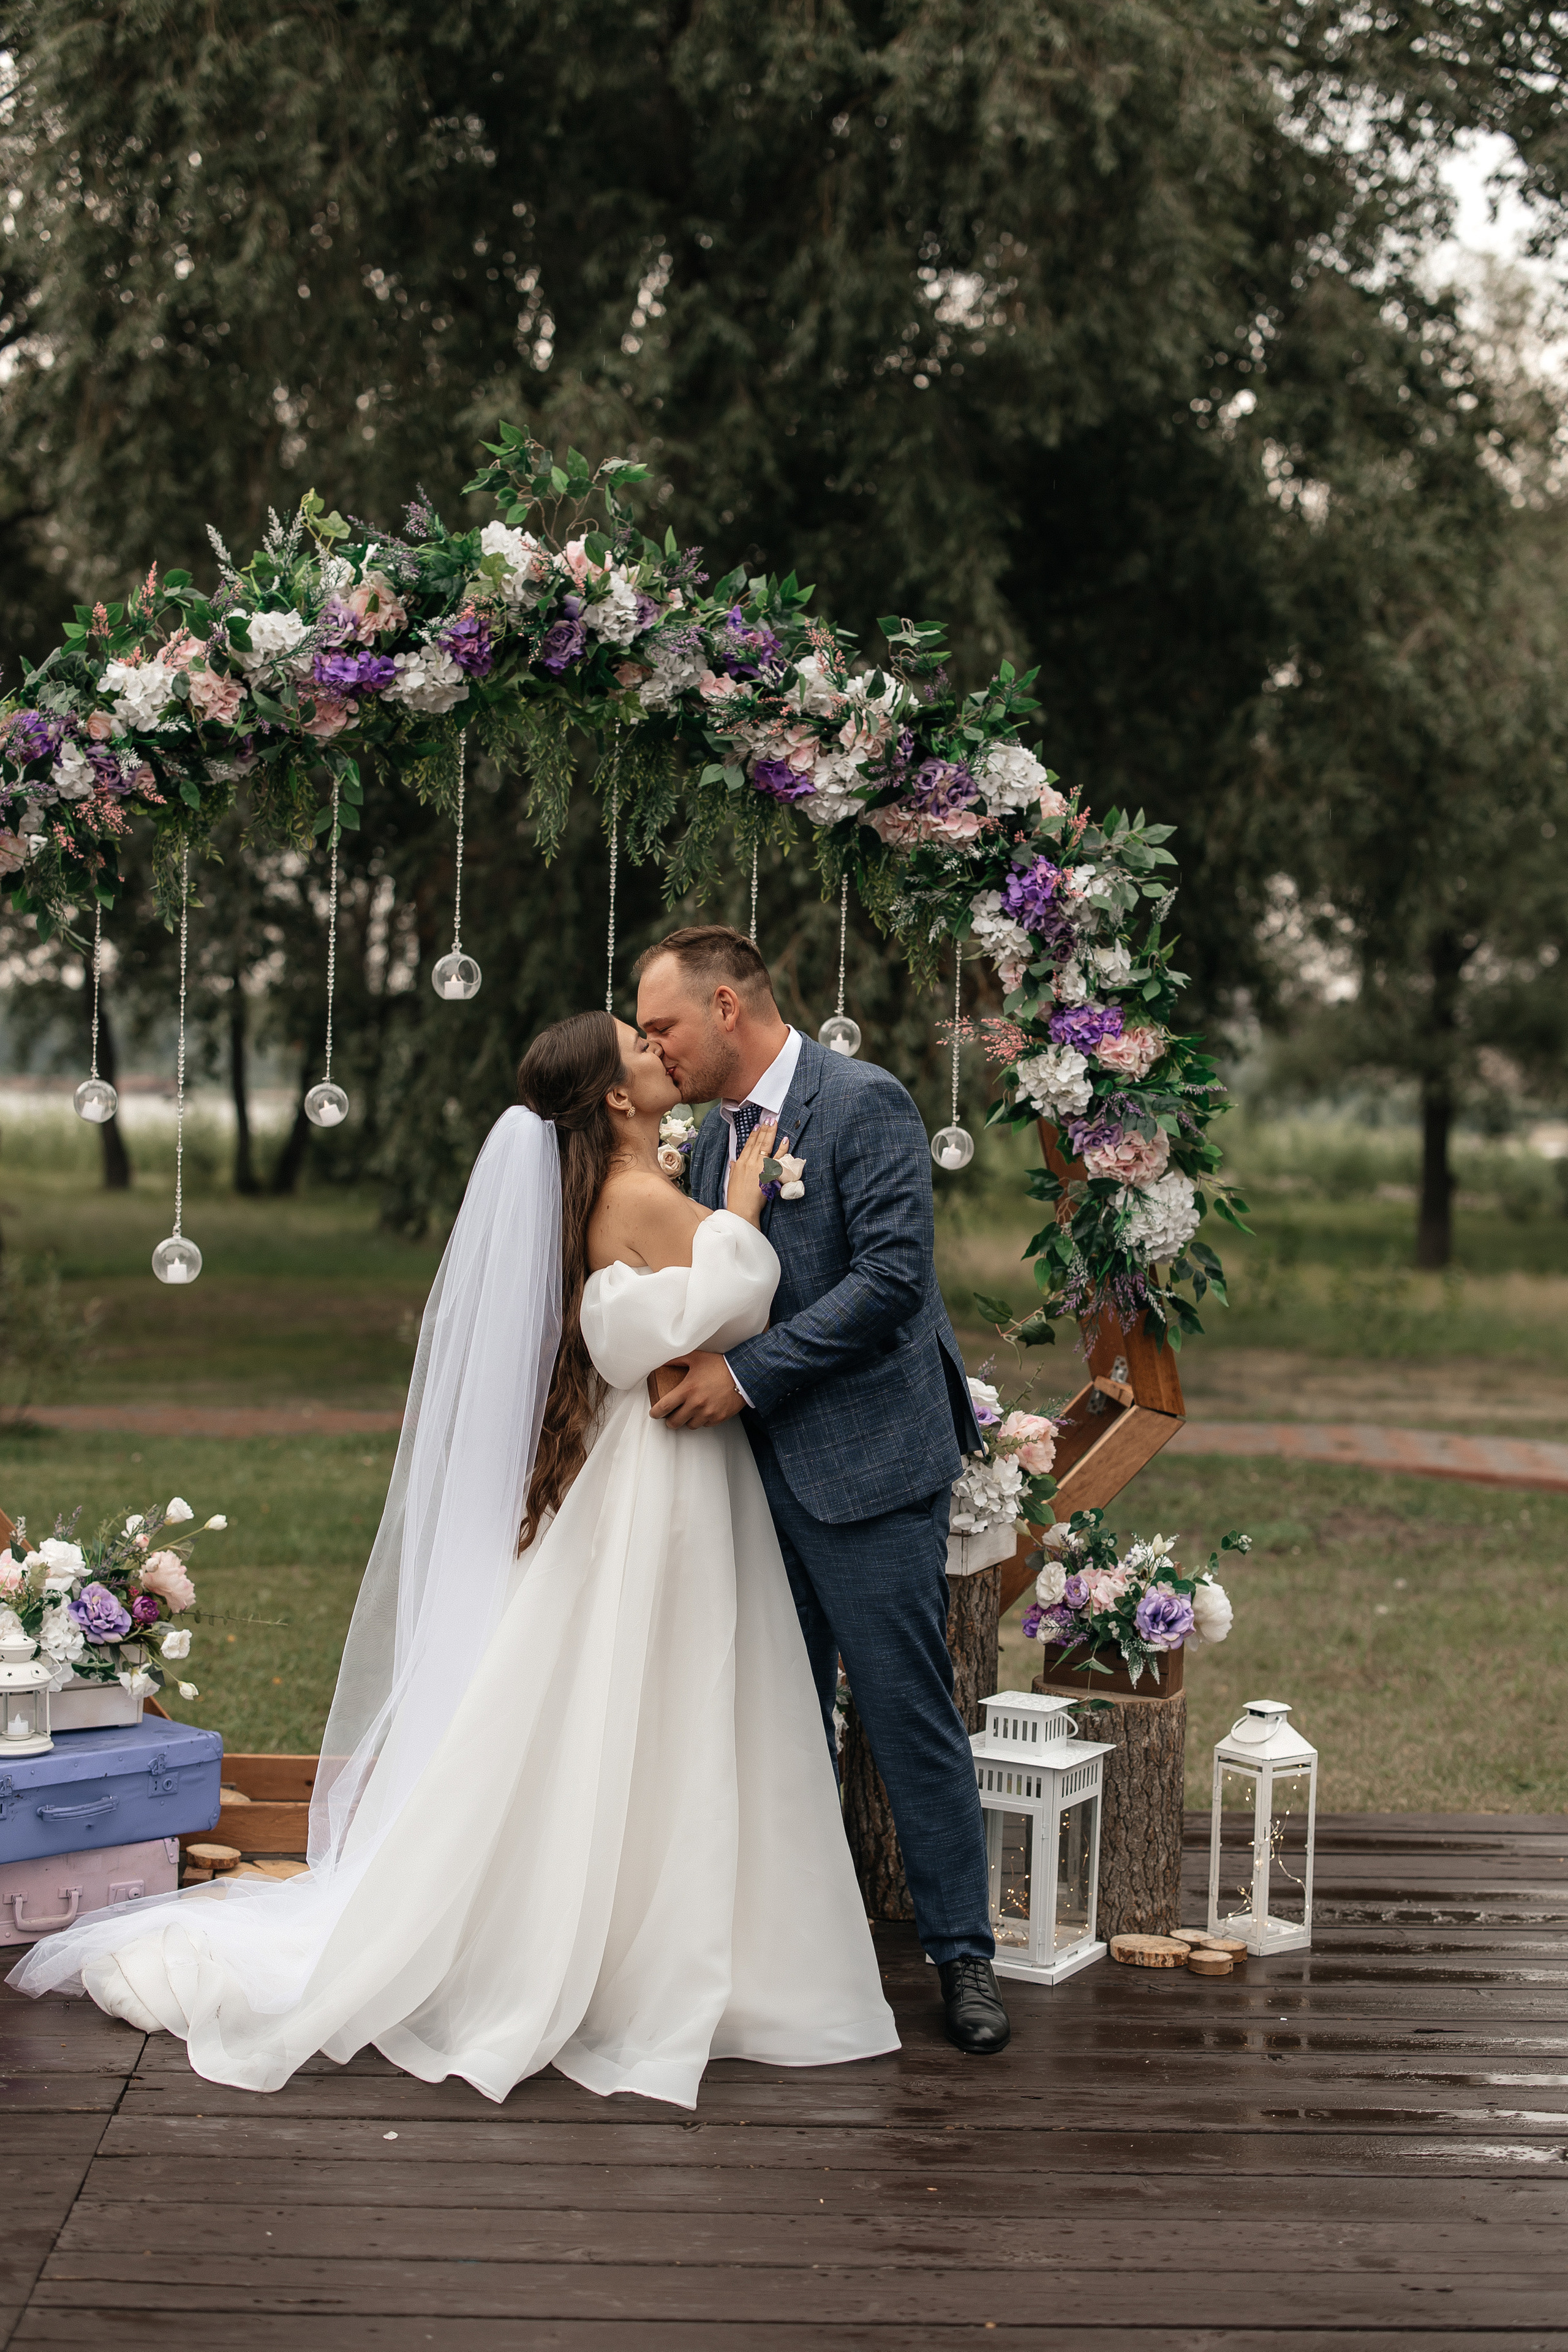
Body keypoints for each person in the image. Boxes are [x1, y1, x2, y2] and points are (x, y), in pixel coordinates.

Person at [7, 1011, 900, 2105]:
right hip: (663, 1483)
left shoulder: (608, 1194)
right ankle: (661, 1950)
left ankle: (635, 1926)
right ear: (616, 1101)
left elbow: (654, 1319)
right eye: (638, 1046)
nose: (659, 1054)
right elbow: (741, 1292)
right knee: (669, 1692)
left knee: (626, 1695)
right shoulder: (642, 1196)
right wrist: (745, 1212)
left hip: (646, 1467)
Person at [636, 925, 1011, 2055]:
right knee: (780, 1722)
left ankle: (965, 1960)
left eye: (664, 1027)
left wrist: (742, 1377)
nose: (656, 1051)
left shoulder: (868, 1103)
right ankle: (794, 1956)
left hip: (869, 1467)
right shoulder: (707, 1147)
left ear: (729, 1010)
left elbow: (893, 1281)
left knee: (905, 1716)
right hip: (751, 1488)